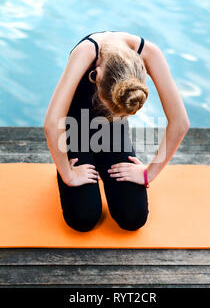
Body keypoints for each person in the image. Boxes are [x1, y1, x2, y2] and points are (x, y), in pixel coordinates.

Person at [44, 30, 190, 232]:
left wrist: (149, 173)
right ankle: (77, 167)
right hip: (75, 131)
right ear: (97, 74)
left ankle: (102, 168)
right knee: (83, 218)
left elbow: (180, 122)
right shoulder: (86, 52)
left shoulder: (149, 53)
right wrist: (68, 174)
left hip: (112, 135)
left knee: (133, 218)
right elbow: (52, 123)